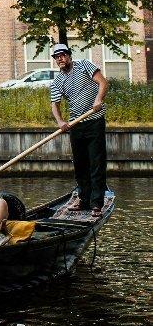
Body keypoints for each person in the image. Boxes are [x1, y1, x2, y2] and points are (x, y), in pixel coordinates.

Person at [49, 43, 108, 218]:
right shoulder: (57, 81)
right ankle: (84, 199)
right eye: (56, 56)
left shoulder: (84, 65)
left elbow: (103, 83)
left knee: (96, 163)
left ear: (69, 55)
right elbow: (55, 105)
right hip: (76, 125)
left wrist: (98, 99)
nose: (60, 58)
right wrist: (60, 121)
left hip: (94, 121)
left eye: (62, 55)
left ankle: (96, 203)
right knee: (80, 164)